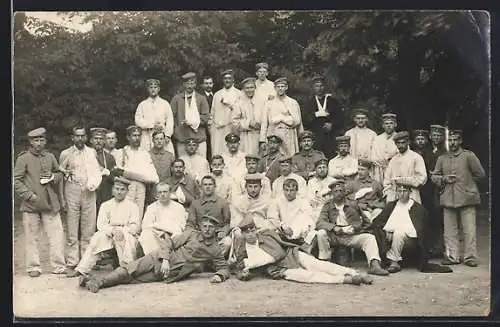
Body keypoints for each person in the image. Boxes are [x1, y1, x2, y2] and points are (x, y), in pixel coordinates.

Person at [79, 216, 230, 293]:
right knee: (129, 270)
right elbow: (169, 243)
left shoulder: (215, 249)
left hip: (171, 273)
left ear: (216, 229)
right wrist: (164, 259)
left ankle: (91, 280)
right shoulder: (191, 234)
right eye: (205, 226)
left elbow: (223, 267)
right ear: (200, 227)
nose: (207, 229)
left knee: (132, 280)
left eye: (211, 227)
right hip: (158, 258)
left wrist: (220, 276)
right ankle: (98, 283)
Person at [234, 217, 373, 286]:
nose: (251, 234)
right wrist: (244, 274)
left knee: (319, 265)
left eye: (252, 230)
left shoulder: (266, 236)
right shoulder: (243, 249)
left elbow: (278, 254)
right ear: (243, 235)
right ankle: (344, 279)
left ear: (255, 229)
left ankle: (354, 272)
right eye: (247, 232)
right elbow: (239, 269)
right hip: (278, 269)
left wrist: (251, 264)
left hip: (290, 255)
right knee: (307, 276)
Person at [14, 127, 66, 277]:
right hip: (31, 205)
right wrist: (29, 195)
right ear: (30, 142)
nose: (39, 143)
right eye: (35, 140)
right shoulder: (23, 158)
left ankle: (59, 266)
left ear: (45, 141)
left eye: (41, 140)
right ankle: (33, 267)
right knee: (32, 237)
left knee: (56, 235)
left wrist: (52, 178)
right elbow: (16, 180)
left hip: (50, 203)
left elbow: (59, 174)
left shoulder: (50, 157)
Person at [431, 130, 486, 267]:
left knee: (469, 230)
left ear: (460, 141)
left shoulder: (469, 156)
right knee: (449, 231)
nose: (453, 143)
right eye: (450, 140)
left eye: (455, 140)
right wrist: (444, 179)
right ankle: (452, 256)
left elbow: (480, 174)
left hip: (467, 198)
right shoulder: (442, 158)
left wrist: (467, 183)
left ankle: (470, 257)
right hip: (448, 198)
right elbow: (434, 176)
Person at [66, 177, 141, 278]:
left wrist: (121, 231)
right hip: (109, 232)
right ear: (113, 190)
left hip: (127, 234)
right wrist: (112, 230)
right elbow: (101, 225)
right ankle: (82, 269)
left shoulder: (133, 206)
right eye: (117, 189)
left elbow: (135, 227)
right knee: (96, 239)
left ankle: (126, 269)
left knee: (122, 238)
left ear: (127, 191)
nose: (119, 192)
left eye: (122, 189)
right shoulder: (106, 205)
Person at [371, 183, 453, 273]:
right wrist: (385, 231)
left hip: (411, 240)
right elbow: (378, 222)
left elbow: (420, 230)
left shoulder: (418, 209)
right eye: (399, 191)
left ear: (410, 192)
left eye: (404, 191)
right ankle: (385, 260)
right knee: (386, 233)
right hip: (389, 238)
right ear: (396, 192)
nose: (402, 194)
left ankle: (394, 262)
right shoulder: (390, 206)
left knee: (399, 233)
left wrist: (394, 230)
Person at [315, 180, 389, 276]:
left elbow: (366, 221)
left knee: (369, 238)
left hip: (350, 235)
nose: (339, 193)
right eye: (336, 191)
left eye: (341, 191)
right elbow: (320, 222)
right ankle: (324, 262)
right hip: (335, 236)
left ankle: (374, 264)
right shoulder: (328, 205)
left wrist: (356, 228)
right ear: (332, 193)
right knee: (321, 233)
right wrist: (334, 227)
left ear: (345, 192)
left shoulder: (353, 204)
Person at [59, 127, 102, 273]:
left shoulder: (91, 152)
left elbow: (96, 171)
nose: (80, 139)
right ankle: (72, 261)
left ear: (86, 137)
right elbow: (60, 174)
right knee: (72, 227)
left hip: (89, 190)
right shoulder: (66, 153)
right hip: (72, 189)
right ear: (72, 138)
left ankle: (86, 261)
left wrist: (93, 183)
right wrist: (62, 197)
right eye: (77, 136)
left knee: (88, 227)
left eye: (82, 136)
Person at [112, 125, 160, 219]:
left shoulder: (144, 154)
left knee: (138, 215)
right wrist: (139, 176)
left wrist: (127, 173)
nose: (137, 138)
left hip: (141, 187)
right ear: (128, 137)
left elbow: (154, 178)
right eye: (134, 135)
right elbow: (117, 173)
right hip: (126, 187)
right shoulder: (121, 153)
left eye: (139, 135)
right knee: (124, 215)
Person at [301, 75, 345, 158]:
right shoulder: (308, 103)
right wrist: (315, 115)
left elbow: (341, 119)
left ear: (325, 87)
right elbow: (304, 120)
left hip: (330, 137)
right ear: (313, 87)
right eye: (317, 86)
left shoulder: (333, 102)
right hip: (315, 137)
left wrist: (332, 124)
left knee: (330, 158)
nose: (319, 88)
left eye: (321, 86)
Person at [186, 175, 232, 254]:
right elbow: (190, 223)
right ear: (201, 187)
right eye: (205, 185)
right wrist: (189, 233)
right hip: (200, 236)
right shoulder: (195, 203)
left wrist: (224, 231)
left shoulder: (223, 203)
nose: (207, 187)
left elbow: (227, 223)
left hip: (217, 236)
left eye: (210, 184)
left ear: (215, 186)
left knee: (227, 242)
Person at [139, 182, 187, 255]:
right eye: (160, 192)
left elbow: (182, 226)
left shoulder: (179, 207)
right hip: (157, 236)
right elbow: (145, 225)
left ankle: (167, 259)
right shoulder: (152, 207)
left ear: (170, 192)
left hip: (173, 237)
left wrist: (166, 232)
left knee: (178, 234)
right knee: (146, 234)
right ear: (157, 194)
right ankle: (155, 260)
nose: (162, 194)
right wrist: (160, 232)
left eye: (165, 192)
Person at [268, 179, 316, 250]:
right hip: (282, 231)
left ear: (297, 191)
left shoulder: (303, 202)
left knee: (313, 233)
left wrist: (304, 230)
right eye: (286, 190)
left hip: (299, 232)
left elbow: (309, 218)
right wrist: (283, 227)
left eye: (292, 190)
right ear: (283, 190)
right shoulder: (277, 201)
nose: (288, 193)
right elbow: (273, 217)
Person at [260, 77, 304, 156]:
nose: (280, 89)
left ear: (286, 87)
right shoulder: (268, 103)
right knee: (274, 157)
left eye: (282, 86)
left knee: (289, 157)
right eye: (278, 87)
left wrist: (283, 118)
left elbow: (297, 121)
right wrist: (262, 140)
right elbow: (264, 123)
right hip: (273, 133)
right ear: (275, 88)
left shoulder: (292, 102)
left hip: (288, 134)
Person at [171, 72, 211, 158]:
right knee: (184, 164)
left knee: (201, 163)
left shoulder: (201, 98)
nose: (189, 86)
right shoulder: (177, 99)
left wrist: (192, 121)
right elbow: (171, 117)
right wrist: (176, 130)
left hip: (199, 137)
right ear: (183, 84)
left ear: (195, 84)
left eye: (192, 83)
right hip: (182, 137)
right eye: (187, 83)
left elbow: (206, 117)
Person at [383, 131, 427, 204]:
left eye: (403, 143)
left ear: (408, 142)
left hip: (412, 194)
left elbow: (421, 179)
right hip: (395, 196)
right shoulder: (393, 160)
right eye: (398, 143)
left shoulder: (416, 157)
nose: (400, 146)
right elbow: (387, 181)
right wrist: (389, 194)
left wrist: (401, 180)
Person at [135, 78, 175, 154]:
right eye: (151, 87)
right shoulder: (142, 104)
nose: (153, 90)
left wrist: (168, 135)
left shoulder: (165, 103)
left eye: (155, 87)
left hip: (162, 134)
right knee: (147, 156)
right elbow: (138, 120)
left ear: (159, 89)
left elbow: (170, 120)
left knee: (166, 156)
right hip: (147, 135)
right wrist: (151, 125)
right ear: (148, 89)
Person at [211, 69, 242, 156]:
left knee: (231, 152)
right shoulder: (217, 94)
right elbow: (212, 112)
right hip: (218, 129)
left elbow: (240, 111)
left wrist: (230, 104)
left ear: (233, 80)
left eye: (229, 78)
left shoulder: (238, 94)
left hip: (231, 128)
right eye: (225, 78)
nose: (227, 80)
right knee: (217, 151)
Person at [233, 77, 266, 155]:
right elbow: (234, 122)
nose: (249, 90)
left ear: (255, 88)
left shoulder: (262, 102)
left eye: (251, 87)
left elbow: (266, 118)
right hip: (245, 137)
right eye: (247, 88)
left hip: (260, 135)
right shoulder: (239, 102)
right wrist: (249, 123)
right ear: (243, 89)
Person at [89, 127, 116, 210]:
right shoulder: (85, 155)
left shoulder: (109, 157)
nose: (98, 141)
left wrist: (108, 173)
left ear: (104, 141)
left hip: (104, 194)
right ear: (91, 140)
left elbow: (114, 178)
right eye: (96, 138)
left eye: (101, 139)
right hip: (89, 193)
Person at [369, 113, 399, 184]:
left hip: (395, 170)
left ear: (395, 125)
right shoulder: (377, 139)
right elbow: (374, 157)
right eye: (386, 124)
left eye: (391, 123)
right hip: (379, 171)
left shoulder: (399, 138)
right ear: (383, 125)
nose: (388, 126)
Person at [147, 130, 175, 204]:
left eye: (161, 139)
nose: (159, 141)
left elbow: (173, 175)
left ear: (164, 140)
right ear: (153, 140)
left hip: (166, 189)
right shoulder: (147, 155)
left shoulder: (170, 156)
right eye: (157, 139)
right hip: (151, 189)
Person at [201, 76, 215, 159]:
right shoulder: (199, 97)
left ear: (213, 84)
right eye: (206, 83)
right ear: (203, 85)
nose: (208, 85)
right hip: (204, 127)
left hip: (215, 125)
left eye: (210, 83)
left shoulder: (216, 96)